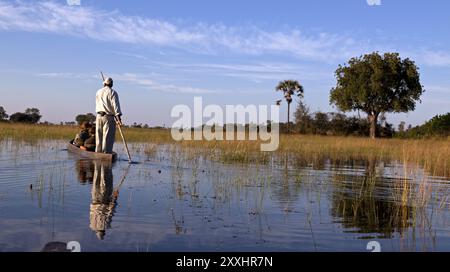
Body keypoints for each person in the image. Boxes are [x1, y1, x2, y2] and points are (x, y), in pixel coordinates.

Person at [95, 77, 123, 154]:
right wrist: (119, 119)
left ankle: (98, 153)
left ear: (104, 84)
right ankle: (105, 154)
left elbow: (97, 103)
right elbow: (116, 107)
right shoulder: (113, 92)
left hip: (98, 116)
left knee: (98, 136)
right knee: (107, 137)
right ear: (112, 84)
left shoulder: (98, 92)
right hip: (108, 117)